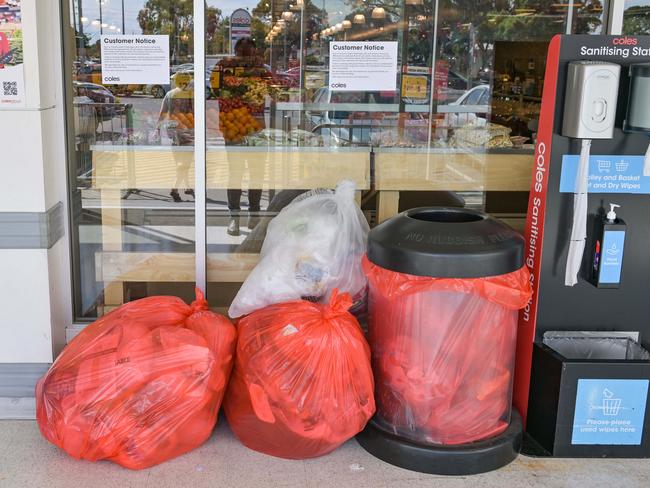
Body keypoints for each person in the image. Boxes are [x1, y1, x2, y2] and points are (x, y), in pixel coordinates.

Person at [218, 37, 266, 236]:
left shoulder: (260, 69)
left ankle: (252, 215)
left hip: (254, 126)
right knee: (236, 173)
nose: (246, 56)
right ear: (236, 52)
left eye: (250, 52)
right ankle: (235, 218)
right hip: (234, 127)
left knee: (255, 173)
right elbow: (215, 90)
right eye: (243, 52)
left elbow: (275, 90)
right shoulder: (224, 66)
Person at [158, 69, 195, 202]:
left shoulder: (170, 94)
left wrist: (158, 129)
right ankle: (174, 189)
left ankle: (188, 186)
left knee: (180, 161)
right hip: (188, 131)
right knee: (185, 163)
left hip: (173, 131)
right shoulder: (191, 94)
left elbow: (162, 113)